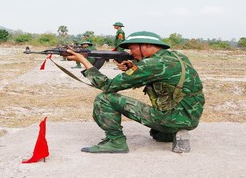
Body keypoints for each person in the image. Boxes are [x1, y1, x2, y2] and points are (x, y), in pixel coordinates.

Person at [65, 31, 205, 154]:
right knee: (156, 134)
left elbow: (108, 86)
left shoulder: (151, 64)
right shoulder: (177, 57)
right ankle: (174, 132)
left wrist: (84, 61)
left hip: (171, 119)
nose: (131, 53)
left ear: (146, 46)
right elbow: (162, 75)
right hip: (189, 117)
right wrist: (134, 68)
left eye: (132, 49)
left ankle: (116, 142)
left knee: (104, 98)